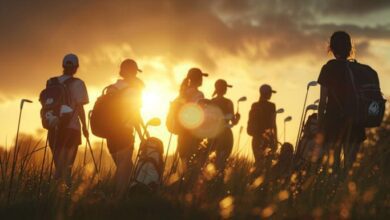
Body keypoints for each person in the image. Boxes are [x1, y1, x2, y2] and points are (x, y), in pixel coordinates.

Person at [317, 31, 380, 174]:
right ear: (350, 48)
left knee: (333, 169)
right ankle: (348, 195)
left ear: (331, 48)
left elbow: (322, 102)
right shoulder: (358, 70)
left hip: (333, 124)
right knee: (350, 170)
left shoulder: (328, 68)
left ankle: (333, 195)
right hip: (355, 123)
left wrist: (320, 125)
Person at [105, 59, 145, 195]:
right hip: (124, 132)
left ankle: (106, 193)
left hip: (109, 133)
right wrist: (142, 134)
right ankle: (117, 200)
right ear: (133, 72)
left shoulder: (112, 87)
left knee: (126, 168)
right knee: (125, 167)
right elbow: (135, 114)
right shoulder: (133, 90)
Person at [49, 53, 89, 187]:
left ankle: (52, 196)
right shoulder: (79, 84)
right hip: (72, 129)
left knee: (58, 168)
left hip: (53, 128)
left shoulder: (51, 82)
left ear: (63, 66)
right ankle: (65, 197)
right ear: (76, 67)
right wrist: (84, 127)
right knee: (67, 169)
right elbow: (80, 108)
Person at [176, 68, 208, 169]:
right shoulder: (199, 95)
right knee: (192, 165)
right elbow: (201, 114)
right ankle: (186, 183)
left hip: (181, 132)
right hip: (193, 134)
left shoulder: (182, 92)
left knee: (184, 162)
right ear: (198, 79)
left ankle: (182, 182)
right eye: (201, 77)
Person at [208, 79, 240, 174]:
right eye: (226, 87)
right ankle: (219, 180)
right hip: (225, 134)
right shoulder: (228, 102)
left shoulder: (211, 102)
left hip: (212, 134)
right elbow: (233, 122)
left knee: (212, 161)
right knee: (222, 161)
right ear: (224, 89)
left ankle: (210, 180)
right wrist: (237, 118)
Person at [247, 84, 277, 174]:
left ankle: (253, 182)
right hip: (267, 138)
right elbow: (273, 124)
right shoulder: (271, 106)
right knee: (267, 165)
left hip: (256, 138)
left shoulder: (254, 105)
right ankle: (262, 184)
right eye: (270, 93)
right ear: (266, 93)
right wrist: (275, 139)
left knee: (258, 161)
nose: (271, 95)